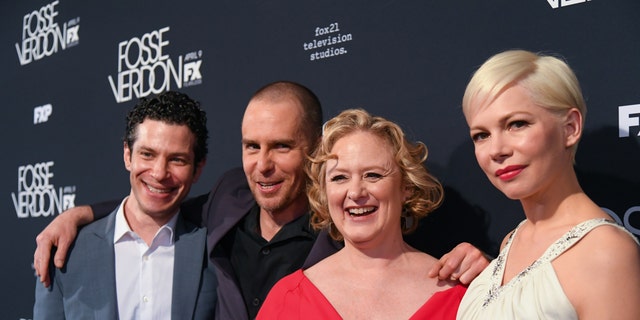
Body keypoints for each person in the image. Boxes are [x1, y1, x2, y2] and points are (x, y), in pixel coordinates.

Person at [34, 81, 489, 320]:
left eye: (282, 147)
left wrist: (487, 267)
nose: (263, 165)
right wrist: (82, 214)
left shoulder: (350, 226)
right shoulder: (224, 204)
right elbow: (158, 192)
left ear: (313, 151)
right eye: (252, 146)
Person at [455, 50, 640, 319]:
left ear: (570, 128)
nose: (497, 149)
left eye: (517, 124)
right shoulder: (512, 241)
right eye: (481, 135)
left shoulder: (605, 252)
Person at [257, 109, 466, 319]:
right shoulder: (288, 299)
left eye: (372, 175)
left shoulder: (461, 295)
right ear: (324, 191)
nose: (356, 192)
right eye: (340, 178)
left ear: (406, 187)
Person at [33, 91, 217, 319]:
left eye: (177, 159)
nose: (159, 173)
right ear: (128, 156)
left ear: (197, 169)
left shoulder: (214, 252)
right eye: (148, 154)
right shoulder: (65, 252)